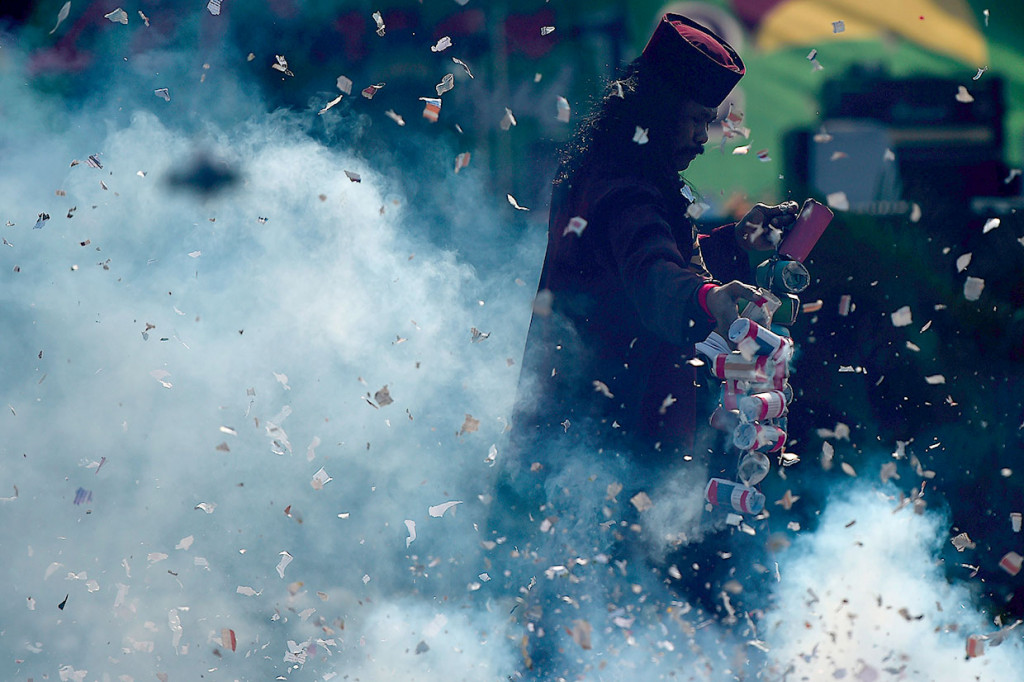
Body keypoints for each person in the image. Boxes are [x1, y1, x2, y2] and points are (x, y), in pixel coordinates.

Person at [510, 13, 798, 472]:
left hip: (595, 424)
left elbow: (655, 261)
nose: (703, 139)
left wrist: (737, 243)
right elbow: (651, 272)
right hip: (597, 439)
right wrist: (707, 297)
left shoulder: (621, 165)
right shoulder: (622, 184)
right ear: (660, 109)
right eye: (697, 120)